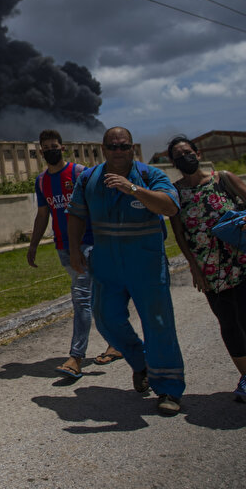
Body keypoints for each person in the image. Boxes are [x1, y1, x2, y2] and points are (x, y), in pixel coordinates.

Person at [67, 126, 186, 414]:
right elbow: (76, 214)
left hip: (146, 263)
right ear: (103, 149)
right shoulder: (89, 178)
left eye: (124, 146)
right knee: (106, 319)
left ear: (132, 148)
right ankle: (141, 361)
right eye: (113, 146)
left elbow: (171, 207)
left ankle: (168, 388)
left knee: (158, 323)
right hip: (106, 262)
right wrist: (74, 250)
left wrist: (131, 188)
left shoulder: (150, 175)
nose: (118, 151)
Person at [167, 136, 246, 417]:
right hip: (210, 270)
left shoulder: (223, 179)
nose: (185, 158)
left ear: (198, 153)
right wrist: (194, 268)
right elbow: (180, 235)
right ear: (173, 163)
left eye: (188, 152)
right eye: (178, 156)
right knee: (229, 324)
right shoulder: (176, 193)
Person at [26, 129, 121, 379]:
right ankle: (116, 342)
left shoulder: (80, 173)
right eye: (46, 148)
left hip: (88, 243)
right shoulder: (42, 181)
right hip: (63, 246)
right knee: (94, 298)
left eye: (54, 146)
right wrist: (33, 244)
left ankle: (76, 357)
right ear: (41, 152)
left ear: (63, 148)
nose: (51, 151)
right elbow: (43, 214)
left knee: (81, 297)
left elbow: (99, 203)